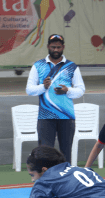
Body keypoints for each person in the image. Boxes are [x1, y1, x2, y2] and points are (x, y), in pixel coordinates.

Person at [26, 34, 85, 164]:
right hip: (45, 116)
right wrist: (43, 87)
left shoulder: (72, 66)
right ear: (48, 47)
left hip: (66, 115)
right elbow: (29, 89)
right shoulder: (38, 65)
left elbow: (81, 90)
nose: (56, 50)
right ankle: (47, 176)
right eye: (53, 47)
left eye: (58, 47)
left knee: (66, 152)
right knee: (44, 153)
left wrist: (67, 90)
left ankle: (66, 175)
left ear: (63, 47)